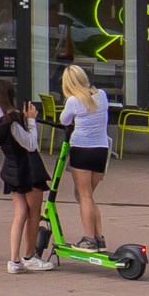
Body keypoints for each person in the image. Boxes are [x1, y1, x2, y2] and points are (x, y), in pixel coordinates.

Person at [0, 99, 53, 272]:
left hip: (12, 170)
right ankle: (30, 256)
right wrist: (30, 121)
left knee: (20, 214)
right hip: (29, 170)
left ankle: (14, 260)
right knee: (34, 213)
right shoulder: (11, 121)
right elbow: (31, 145)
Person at [55, 63, 114, 250]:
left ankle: (89, 239)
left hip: (82, 149)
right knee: (89, 196)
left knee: (84, 196)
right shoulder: (101, 95)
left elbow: (64, 120)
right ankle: (99, 237)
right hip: (101, 150)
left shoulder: (74, 101)